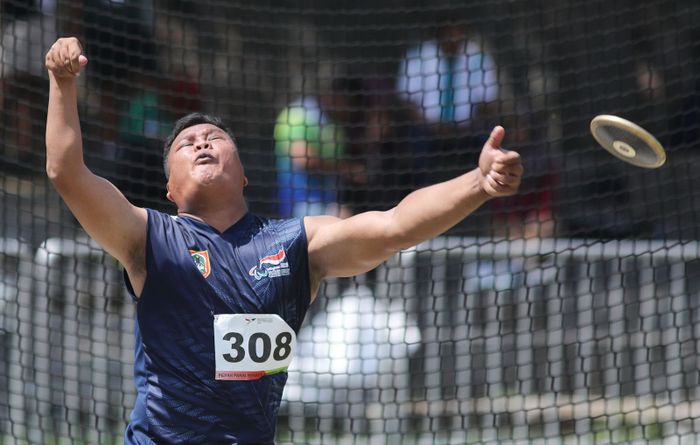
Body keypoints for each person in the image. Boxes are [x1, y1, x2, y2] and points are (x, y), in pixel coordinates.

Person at [45, 37, 523, 444]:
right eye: (185, 144)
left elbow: (395, 225)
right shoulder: (147, 237)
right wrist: (62, 84)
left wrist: (478, 185)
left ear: (246, 175)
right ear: (169, 188)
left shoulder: (297, 243)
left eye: (213, 136)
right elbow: (67, 172)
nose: (201, 142)